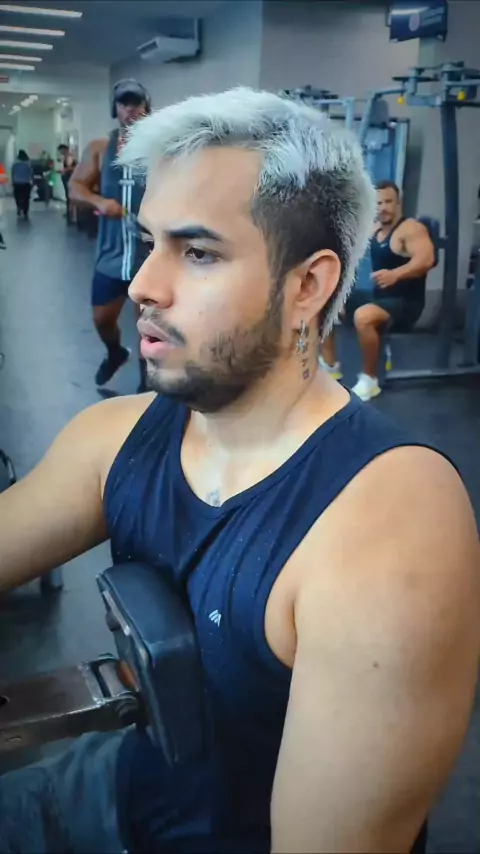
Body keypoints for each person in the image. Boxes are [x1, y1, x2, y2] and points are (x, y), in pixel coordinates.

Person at [0, 88, 479, 854]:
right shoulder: (115, 436)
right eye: (150, 241)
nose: (143, 285)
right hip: (113, 786)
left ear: (307, 287)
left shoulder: (389, 527)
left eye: (198, 253)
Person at [319, 180, 436, 400]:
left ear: (398, 203)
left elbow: (426, 259)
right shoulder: (375, 230)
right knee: (326, 301)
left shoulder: (411, 229)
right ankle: (331, 366)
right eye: (378, 203)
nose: (383, 208)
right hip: (381, 298)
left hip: (406, 304)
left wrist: (396, 274)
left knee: (363, 317)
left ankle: (369, 380)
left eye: (388, 202)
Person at [69, 79, 151, 391]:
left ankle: (146, 384)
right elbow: (75, 187)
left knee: (148, 326)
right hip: (111, 253)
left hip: (149, 254)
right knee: (102, 320)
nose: (130, 110)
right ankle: (115, 352)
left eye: (136, 103)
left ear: (146, 107)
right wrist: (100, 202)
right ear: (115, 109)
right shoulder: (100, 148)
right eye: (123, 103)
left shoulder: (161, 150)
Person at [11, 149, 33, 220]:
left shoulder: (15, 163)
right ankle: (25, 211)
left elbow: (12, 172)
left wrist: (13, 181)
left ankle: (19, 206)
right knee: (26, 197)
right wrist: (32, 180)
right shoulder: (28, 163)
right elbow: (31, 173)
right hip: (26, 182)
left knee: (17, 196)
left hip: (17, 182)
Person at [57, 143, 77, 223]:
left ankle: (71, 213)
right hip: (67, 177)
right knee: (68, 196)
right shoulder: (66, 157)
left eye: (61, 151)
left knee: (70, 196)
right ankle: (69, 213)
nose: (61, 153)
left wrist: (64, 170)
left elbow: (72, 167)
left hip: (69, 178)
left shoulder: (69, 157)